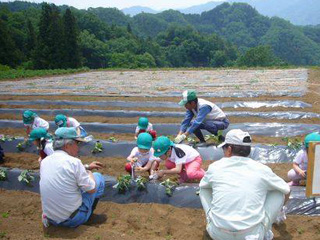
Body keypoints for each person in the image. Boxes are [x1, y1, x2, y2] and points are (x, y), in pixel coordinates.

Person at [199, 129, 290, 240]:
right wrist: (279, 210)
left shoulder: (216, 167)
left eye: (224, 148)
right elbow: (287, 190)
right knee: (278, 192)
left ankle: (210, 221)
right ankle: (265, 230)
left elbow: (204, 186)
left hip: (218, 234)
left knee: (203, 189)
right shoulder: (261, 169)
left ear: (229, 149)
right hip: (252, 236)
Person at [40, 127, 105, 228]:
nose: (78, 148)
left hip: (50, 218)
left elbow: (65, 170)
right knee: (98, 177)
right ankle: (86, 215)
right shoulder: (74, 162)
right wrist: (89, 172)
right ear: (67, 146)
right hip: (71, 220)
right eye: (77, 144)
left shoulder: (44, 162)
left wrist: (87, 166)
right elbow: (92, 189)